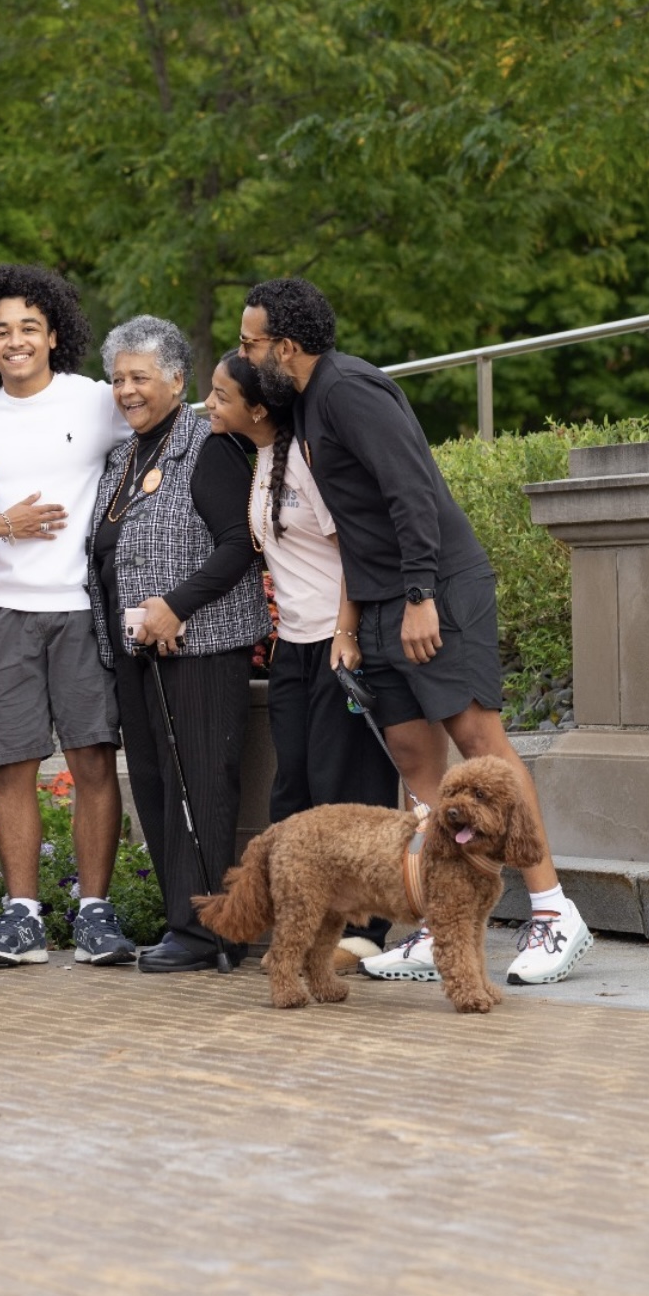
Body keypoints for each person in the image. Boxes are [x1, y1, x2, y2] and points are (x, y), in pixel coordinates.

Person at [239, 279, 593, 986]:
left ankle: (554, 911)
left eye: (251, 343)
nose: (245, 356)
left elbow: (411, 490)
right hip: (378, 605)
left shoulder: (348, 390)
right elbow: (354, 524)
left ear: (286, 345)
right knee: (411, 752)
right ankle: (443, 919)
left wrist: (421, 594)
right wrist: (352, 622)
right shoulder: (306, 403)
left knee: (480, 742)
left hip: (434, 590)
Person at [0, 263, 135, 968]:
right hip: (3, 613)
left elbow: (157, 434)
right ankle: (22, 914)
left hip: (82, 610)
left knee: (93, 760)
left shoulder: (94, 400)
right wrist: (4, 523)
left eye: (29, 326)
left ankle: (94, 911)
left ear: (54, 333)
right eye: (1, 331)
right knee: (11, 765)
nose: (16, 341)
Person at [205, 350, 401, 970]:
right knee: (294, 791)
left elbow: (355, 552)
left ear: (257, 408)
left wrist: (348, 633)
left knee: (346, 786)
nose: (207, 405)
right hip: (291, 644)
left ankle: (366, 932)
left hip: (336, 640)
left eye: (219, 396)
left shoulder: (309, 461)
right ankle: (304, 931)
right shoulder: (258, 456)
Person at [88, 316, 270, 973]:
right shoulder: (123, 455)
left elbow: (240, 543)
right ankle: (181, 921)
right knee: (161, 789)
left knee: (202, 785)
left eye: (140, 376)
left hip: (200, 647)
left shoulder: (207, 443)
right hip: (137, 655)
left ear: (176, 379)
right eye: (118, 379)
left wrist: (175, 605)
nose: (127, 390)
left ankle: (212, 931)